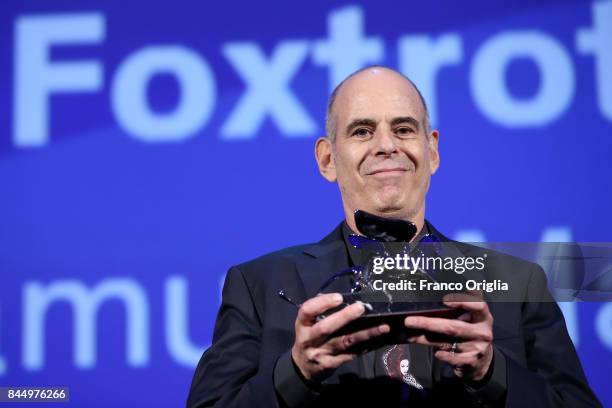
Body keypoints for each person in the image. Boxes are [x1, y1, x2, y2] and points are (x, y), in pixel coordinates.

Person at [187, 66, 600, 407]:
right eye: (362, 131)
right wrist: (294, 372)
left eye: (403, 129)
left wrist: (494, 372)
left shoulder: (516, 283)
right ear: (327, 159)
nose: (386, 145)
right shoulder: (260, 285)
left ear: (432, 151)